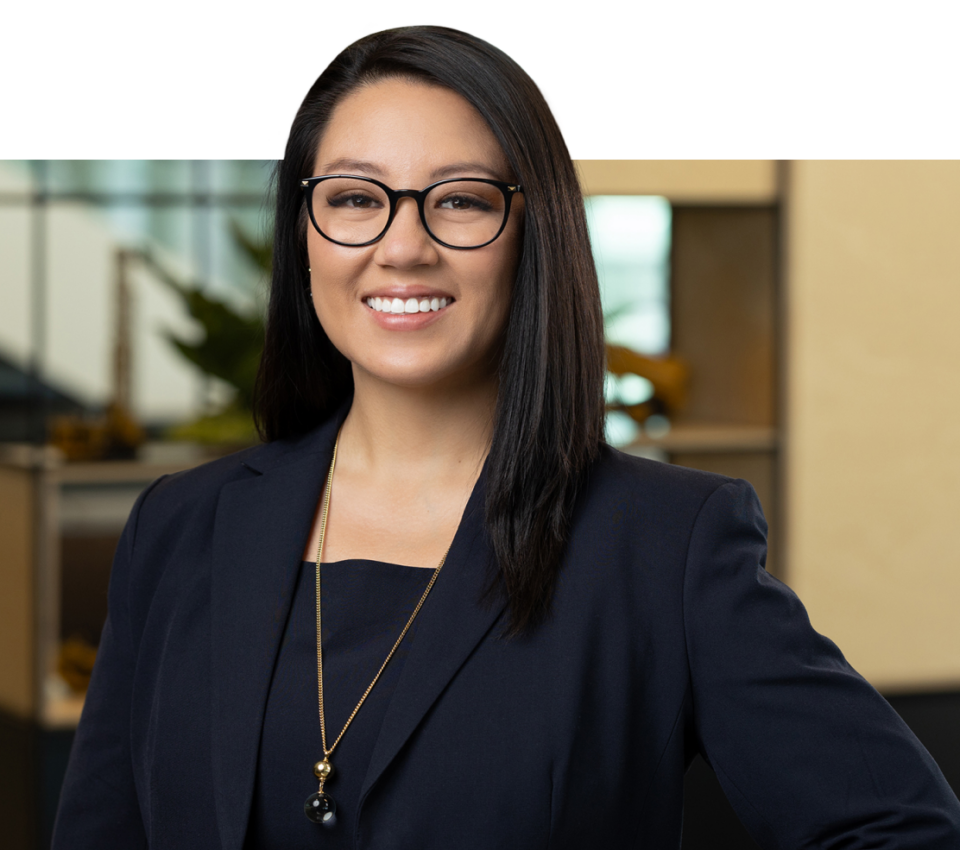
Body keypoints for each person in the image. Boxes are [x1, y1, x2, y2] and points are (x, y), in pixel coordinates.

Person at [53, 25, 960, 850]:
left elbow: (900, 828)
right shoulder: (180, 528)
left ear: (535, 230)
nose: (402, 246)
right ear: (305, 233)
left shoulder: (666, 546)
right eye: (356, 198)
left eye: (460, 201)